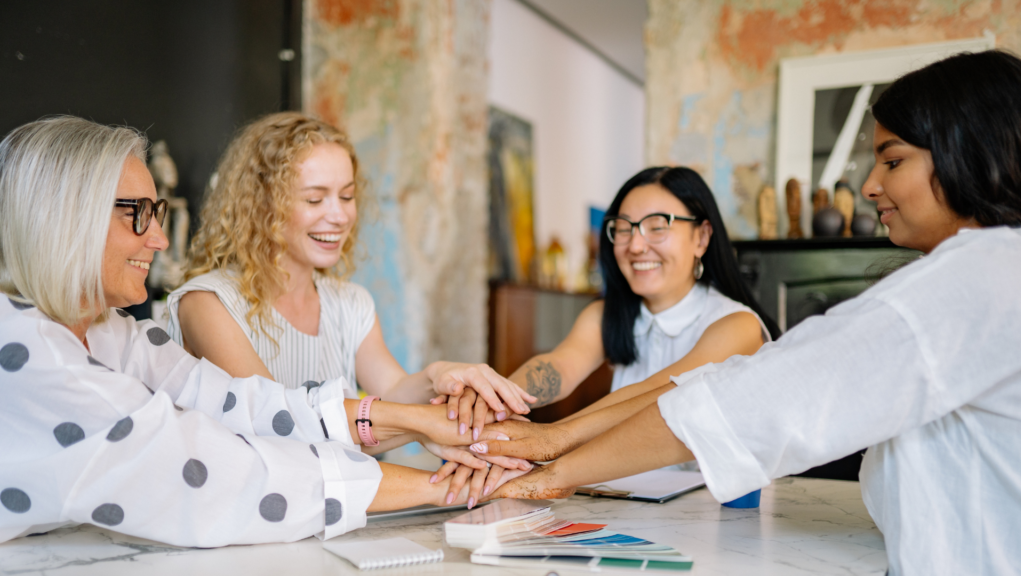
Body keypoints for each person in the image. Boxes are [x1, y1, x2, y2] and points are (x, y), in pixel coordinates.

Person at [481, 50, 1021, 575]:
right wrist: (488, 408)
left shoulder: (976, 279)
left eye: (894, 160)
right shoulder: (991, 270)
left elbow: (740, 399)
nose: (868, 186)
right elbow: (556, 373)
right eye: (622, 229)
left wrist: (555, 457)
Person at [0, 117, 526, 547]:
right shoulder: (32, 352)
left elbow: (250, 405)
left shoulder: (116, 334)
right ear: (63, 219)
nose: (158, 238)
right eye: (137, 214)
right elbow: (224, 468)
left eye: (155, 212)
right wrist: (445, 482)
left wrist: (426, 414)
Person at [165, 113, 532, 503]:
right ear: (260, 205)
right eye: (314, 198)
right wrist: (423, 426)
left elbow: (393, 391)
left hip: (332, 520)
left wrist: (439, 377)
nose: (339, 216)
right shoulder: (207, 303)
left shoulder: (351, 303)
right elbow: (281, 428)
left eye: (346, 196)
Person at [499, 167, 779, 412]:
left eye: (657, 227)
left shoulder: (737, 324)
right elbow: (559, 367)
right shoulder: (607, 314)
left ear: (701, 238)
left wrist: (546, 440)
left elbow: (651, 398)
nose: (635, 246)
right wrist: (496, 399)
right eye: (624, 228)